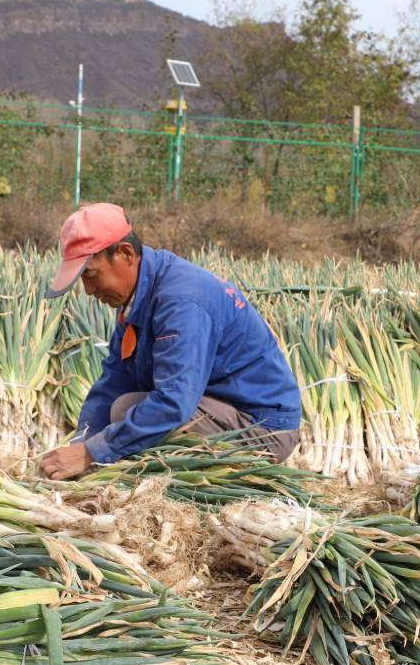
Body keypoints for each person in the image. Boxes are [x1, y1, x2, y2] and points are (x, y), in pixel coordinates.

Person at [37, 203, 301, 480]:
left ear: (125, 254)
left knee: (127, 411)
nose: (89, 291)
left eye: (91, 275)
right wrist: (82, 443)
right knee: (122, 408)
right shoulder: (138, 295)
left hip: (261, 430)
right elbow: (114, 380)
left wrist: (93, 454)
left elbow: (174, 402)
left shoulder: (180, 301)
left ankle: (206, 485)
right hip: (215, 410)